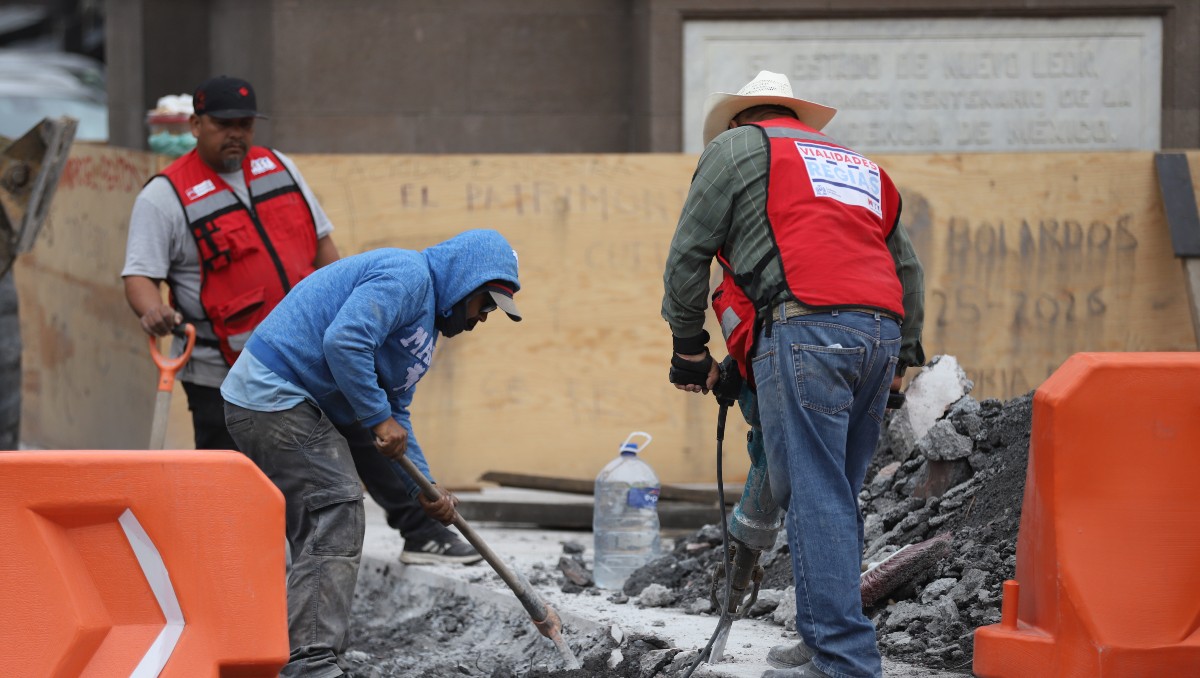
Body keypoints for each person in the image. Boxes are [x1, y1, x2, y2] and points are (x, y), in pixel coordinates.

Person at [121, 75, 480, 566]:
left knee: (372, 433)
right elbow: (139, 275)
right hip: (221, 368)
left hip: (312, 357)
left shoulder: (280, 169)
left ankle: (421, 532)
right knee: (232, 480)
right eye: (224, 124)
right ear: (196, 125)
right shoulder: (164, 196)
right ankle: (227, 569)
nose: (237, 134)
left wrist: (355, 304)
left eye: (246, 124)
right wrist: (152, 310)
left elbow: (323, 247)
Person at [662, 71, 925, 678]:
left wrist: (689, 349)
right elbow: (906, 266)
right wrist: (902, 359)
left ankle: (842, 660)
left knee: (813, 494)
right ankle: (823, 634)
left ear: (739, 118)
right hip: (880, 334)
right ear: (798, 117)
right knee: (836, 491)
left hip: (809, 325)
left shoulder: (736, 147)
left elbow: (688, 254)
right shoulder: (857, 165)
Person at [220, 229, 522, 676]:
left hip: (291, 401)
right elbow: (344, 341)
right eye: (486, 304)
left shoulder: (423, 329)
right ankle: (310, 661)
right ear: (465, 282)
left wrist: (425, 489)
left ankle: (313, 651)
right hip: (273, 393)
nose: (482, 318)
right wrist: (378, 419)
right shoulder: (408, 277)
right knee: (336, 507)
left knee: (328, 515)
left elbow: (396, 415)